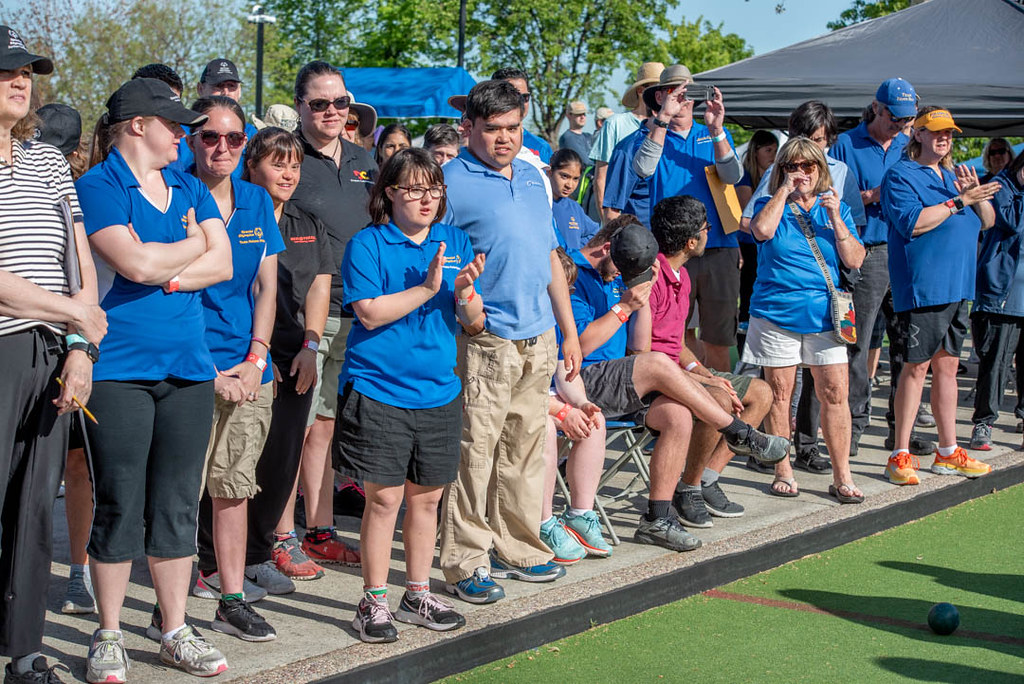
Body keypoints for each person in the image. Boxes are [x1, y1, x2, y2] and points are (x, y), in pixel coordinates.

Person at [75, 77, 232, 680]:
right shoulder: (98, 184)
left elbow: (220, 264)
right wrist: (189, 244)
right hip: (117, 369)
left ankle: (172, 628)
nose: (185, 134)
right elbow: (130, 260)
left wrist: (170, 267)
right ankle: (109, 632)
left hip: (189, 368)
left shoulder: (190, 185)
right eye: (174, 123)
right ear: (137, 125)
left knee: (174, 505)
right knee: (119, 503)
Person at [438, 79, 582, 605]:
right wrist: (471, 321)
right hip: (485, 339)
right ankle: (465, 561)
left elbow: (549, 257)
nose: (504, 138)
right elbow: (437, 261)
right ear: (469, 127)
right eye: (493, 128)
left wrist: (567, 332)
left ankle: (518, 545)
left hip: (539, 334)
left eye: (513, 128)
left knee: (525, 451)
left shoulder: (532, 175)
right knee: (474, 455)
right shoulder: (449, 181)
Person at [566, 221, 790, 549]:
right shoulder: (575, 273)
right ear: (605, 249)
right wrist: (624, 306)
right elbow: (580, 347)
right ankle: (738, 432)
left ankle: (657, 519)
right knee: (659, 363)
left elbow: (640, 348)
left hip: (623, 382)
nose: (619, 277)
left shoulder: (619, 273)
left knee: (678, 415)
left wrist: (639, 298)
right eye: (622, 269)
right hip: (580, 382)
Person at [337, 148, 485, 643]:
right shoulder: (368, 244)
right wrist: (429, 287)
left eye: (434, 189)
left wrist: (463, 293)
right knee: (384, 501)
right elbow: (370, 314)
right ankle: (373, 601)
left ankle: (417, 591)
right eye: (414, 189)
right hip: (379, 389)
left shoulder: (455, 239)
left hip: (439, 390)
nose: (426, 199)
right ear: (390, 194)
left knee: (428, 502)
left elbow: (476, 322)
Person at [0, 26, 106, 684]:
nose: (21, 79)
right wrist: (73, 312)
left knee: (36, 507)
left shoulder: (43, 160)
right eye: (6, 70)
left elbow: (79, 261)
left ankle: (26, 650)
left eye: (26, 72)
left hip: (50, 352)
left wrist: (78, 348)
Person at [188, 96, 284, 641]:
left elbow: (266, 287)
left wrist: (256, 357)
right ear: (191, 140)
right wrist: (210, 371)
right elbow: (166, 294)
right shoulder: (175, 194)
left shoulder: (255, 199)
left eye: (233, 138)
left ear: (246, 144)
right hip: (189, 368)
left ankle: (230, 600)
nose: (221, 147)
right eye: (209, 136)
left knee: (233, 489)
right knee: (181, 495)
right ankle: (168, 609)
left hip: (250, 372)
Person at [742, 101, 868, 473]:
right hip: (775, 312)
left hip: (825, 315)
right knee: (780, 396)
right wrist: (783, 190)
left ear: (821, 170)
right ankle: (783, 470)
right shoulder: (770, 203)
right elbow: (760, 231)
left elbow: (855, 259)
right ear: (781, 170)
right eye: (792, 166)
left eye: (808, 166)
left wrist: (833, 216)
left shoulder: (837, 208)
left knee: (835, 394)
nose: (801, 172)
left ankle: (842, 473)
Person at [284, 60, 375, 576]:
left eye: (340, 102)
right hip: (307, 314)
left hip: (364, 313)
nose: (332, 112)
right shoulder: (286, 159)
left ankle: (319, 530)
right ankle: (291, 532)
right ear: (300, 106)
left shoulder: (366, 160)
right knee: (302, 428)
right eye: (320, 103)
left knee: (330, 426)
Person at [882, 107, 999, 485]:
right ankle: (899, 453)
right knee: (915, 369)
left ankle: (947, 451)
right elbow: (914, 223)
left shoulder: (951, 175)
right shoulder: (901, 174)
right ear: (917, 134)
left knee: (947, 368)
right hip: (924, 288)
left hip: (957, 287)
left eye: (949, 132)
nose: (944, 137)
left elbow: (989, 221)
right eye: (935, 131)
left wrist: (973, 195)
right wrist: (958, 201)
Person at [242, 128, 333, 592]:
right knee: (239, 463)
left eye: (294, 165)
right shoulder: (234, 214)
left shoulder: (306, 222)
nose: (288, 173)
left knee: (282, 461)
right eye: (277, 163)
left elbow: (319, 286)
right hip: (245, 355)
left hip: (297, 354)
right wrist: (254, 353)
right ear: (251, 167)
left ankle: (260, 552)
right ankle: (219, 559)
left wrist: (310, 348)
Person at [648, 196, 774, 526]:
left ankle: (704, 479)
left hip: (677, 370)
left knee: (761, 393)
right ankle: (687, 488)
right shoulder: (653, 277)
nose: (709, 233)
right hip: (651, 378)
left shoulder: (683, 276)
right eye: (706, 228)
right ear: (692, 241)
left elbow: (677, 346)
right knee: (718, 397)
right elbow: (648, 353)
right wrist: (707, 382)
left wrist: (704, 372)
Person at [830, 78, 933, 456]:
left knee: (907, 343)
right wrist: (874, 195)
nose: (902, 125)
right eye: (896, 118)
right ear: (877, 108)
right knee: (858, 343)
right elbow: (832, 199)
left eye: (908, 120)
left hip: (906, 249)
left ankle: (899, 431)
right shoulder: (847, 143)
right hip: (869, 250)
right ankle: (853, 427)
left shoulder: (909, 143)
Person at [631, 64, 742, 372]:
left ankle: (719, 407)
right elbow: (642, 170)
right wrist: (662, 120)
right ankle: (685, 405)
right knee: (674, 334)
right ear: (661, 96)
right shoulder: (652, 134)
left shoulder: (713, 132)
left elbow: (733, 176)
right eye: (675, 92)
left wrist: (717, 129)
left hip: (717, 245)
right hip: (672, 253)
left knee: (719, 338)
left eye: (689, 92)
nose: (683, 100)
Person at [538, 249, 610, 564]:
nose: (565, 298)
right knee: (542, 429)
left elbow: (566, 374)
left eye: (566, 291)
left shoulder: (558, 326)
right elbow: (518, 392)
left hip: (551, 405)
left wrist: (581, 404)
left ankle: (580, 514)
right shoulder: (522, 318)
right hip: (522, 408)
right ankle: (541, 523)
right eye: (559, 290)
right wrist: (560, 412)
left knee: (595, 421)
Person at [970, 149, 1024, 450]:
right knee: (996, 364)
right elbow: (1012, 222)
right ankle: (984, 423)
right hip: (1002, 294)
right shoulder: (1001, 187)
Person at [589, 62, 664, 212]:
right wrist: (608, 223)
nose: (660, 95)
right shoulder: (615, 124)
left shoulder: (667, 126)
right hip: (625, 217)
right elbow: (601, 177)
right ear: (641, 91)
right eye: (655, 88)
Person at [173, 59, 258, 175]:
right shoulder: (179, 134)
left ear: (239, 91)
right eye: (218, 86)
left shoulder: (253, 134)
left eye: (231, 86)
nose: (225, 92)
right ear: (200, 89)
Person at [735, 129, 778, 357]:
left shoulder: (774, 175)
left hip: (766, 242)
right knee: (749, 290)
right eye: (768, 150)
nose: (772, 154)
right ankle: (745, 344)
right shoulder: (745, 177)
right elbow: (747, 215)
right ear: (755, 151)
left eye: (775, 150)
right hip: (748, 243)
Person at [490, 67, 552, 163]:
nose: (520, 102)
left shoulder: (541, 146)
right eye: (513, 96)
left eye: (525, 97)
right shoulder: (483, 142)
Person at [549, 148, 598, 250]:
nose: (569, 185)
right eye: (564, 176)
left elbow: (594, 232)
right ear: (550, 172)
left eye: (575, 179)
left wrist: (574, 249)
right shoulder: (539, 203)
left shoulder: (574, 208)